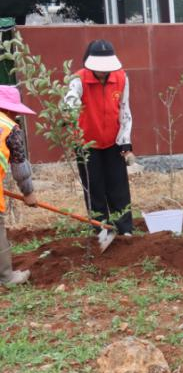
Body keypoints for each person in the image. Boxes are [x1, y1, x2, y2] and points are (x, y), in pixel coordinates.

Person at [65, 40, 135, 237]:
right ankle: (101, 231)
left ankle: (125, 230)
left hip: (113, 142)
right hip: (86, 144)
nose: (104, 73)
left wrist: (125, 140)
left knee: (118, 187)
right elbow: (69, 103)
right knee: (94, 188)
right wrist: (69, 115)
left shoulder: (121, 78)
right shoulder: (78, 80)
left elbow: (124, 109)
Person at [0, 86, 39, 285]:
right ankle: (7, 277)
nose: (15, 115)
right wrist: (28, 193)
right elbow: (20, 167)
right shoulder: (9, 128)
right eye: (14, 111)